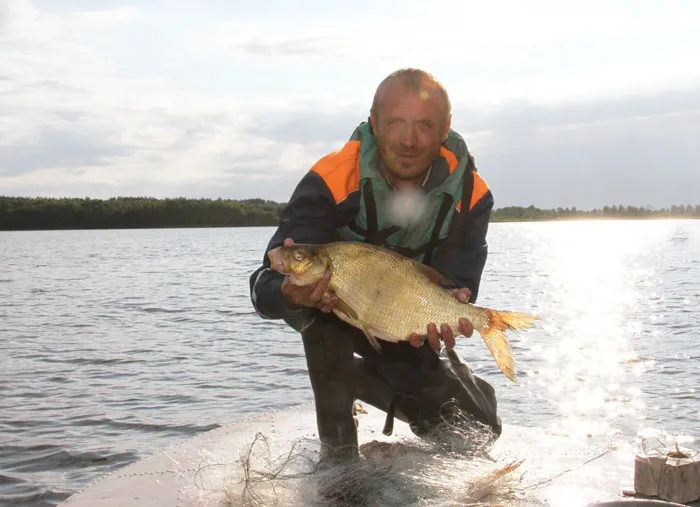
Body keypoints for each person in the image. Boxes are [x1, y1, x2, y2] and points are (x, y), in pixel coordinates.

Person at [249, 68, 501, 463]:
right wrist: (287, 293)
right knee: (323, 318)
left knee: (480, 426)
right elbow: (263, 283)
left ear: (445, 127)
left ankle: (369, 383)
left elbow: (460, 281)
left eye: (424, 125)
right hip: (340, 312)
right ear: (373, 121)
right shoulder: (331, 177)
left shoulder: (472, 193)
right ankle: (339, 456)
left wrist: (452, 307)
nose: (408, 139)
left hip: (406, 313)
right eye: (396, 122)